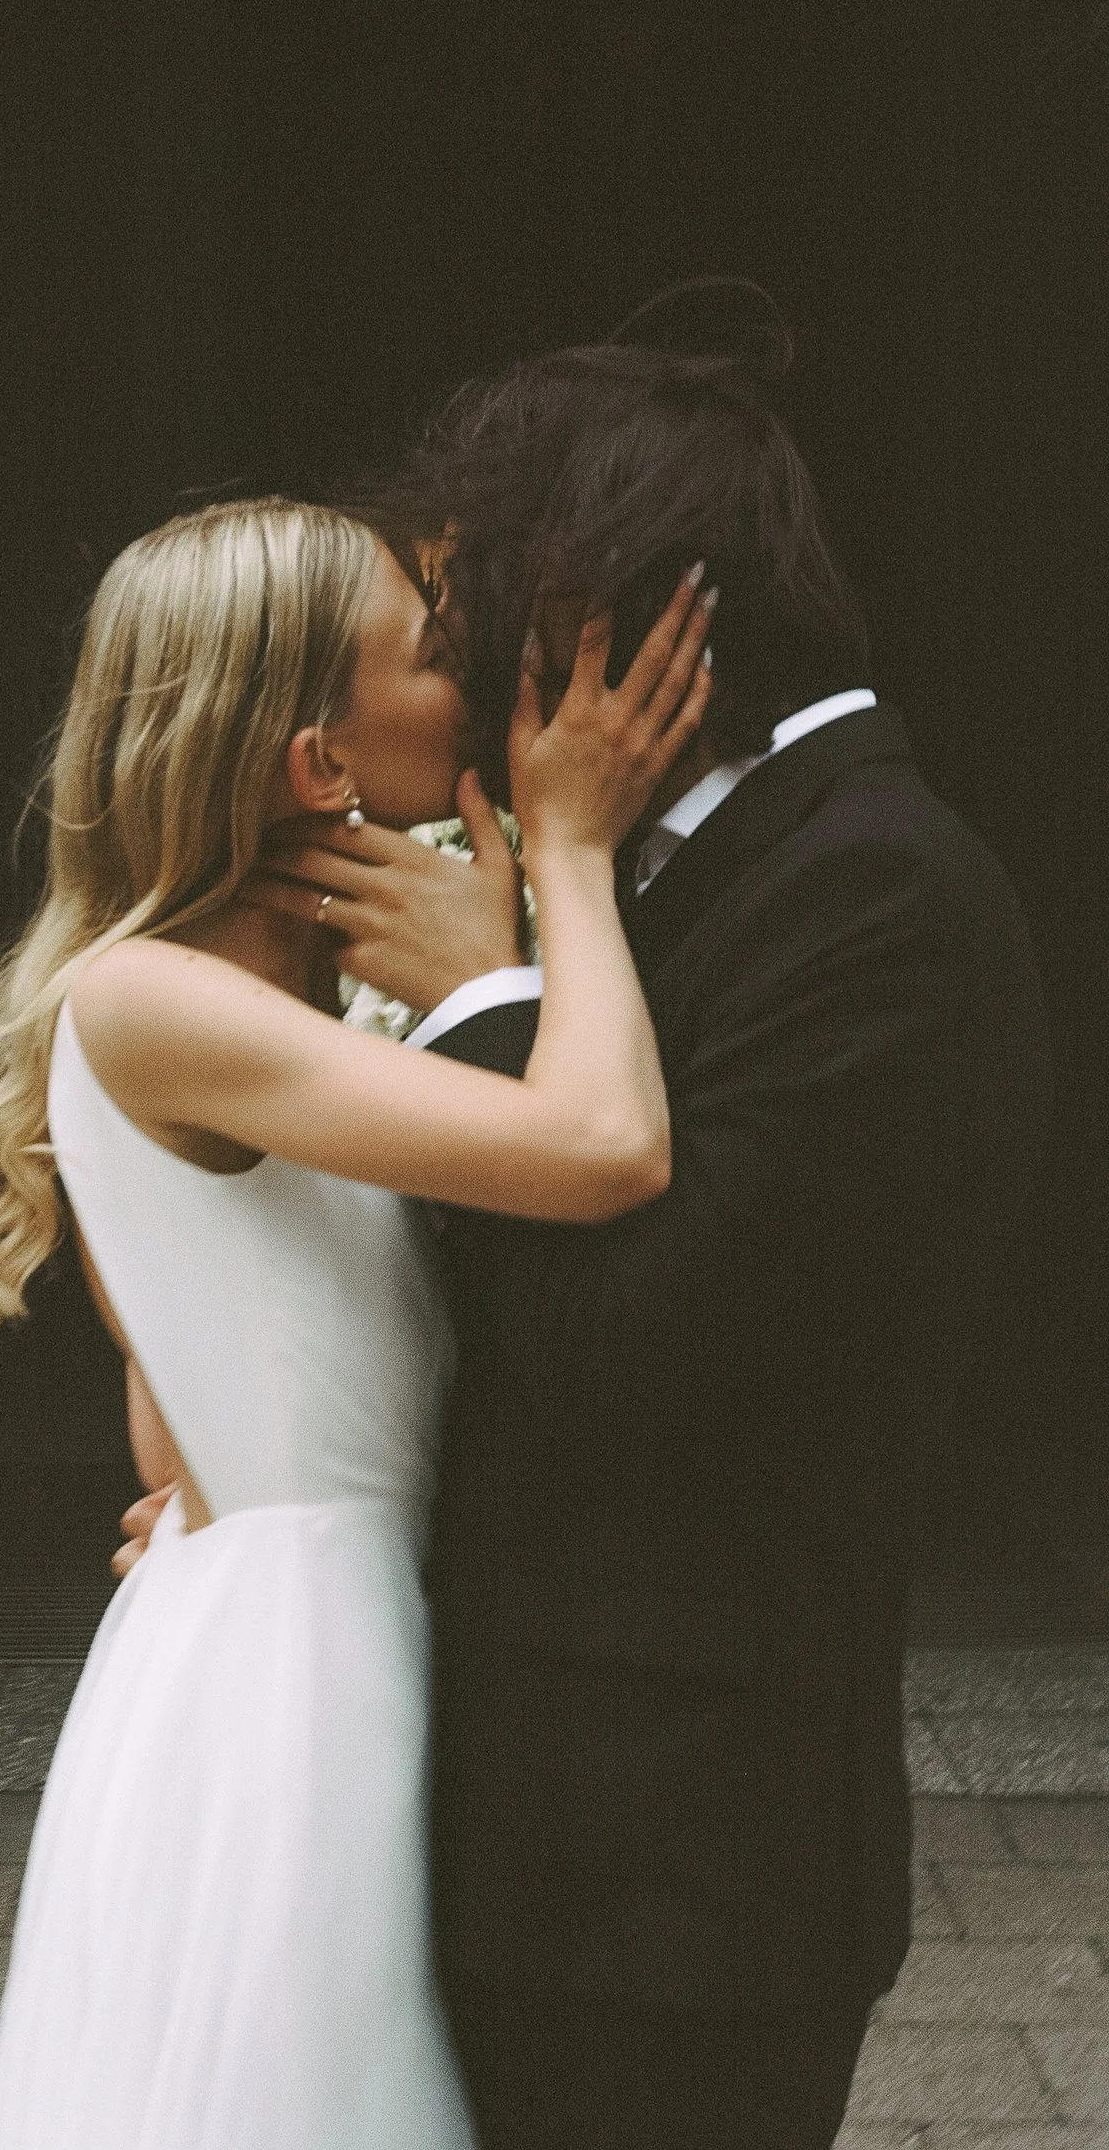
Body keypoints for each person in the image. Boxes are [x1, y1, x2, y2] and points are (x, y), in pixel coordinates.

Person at [126, 319, 1052, 2148]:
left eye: (476, 609)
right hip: (544, 1845)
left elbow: (643, 1351)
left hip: (677, 1882)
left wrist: (493, 1002)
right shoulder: (679, 868)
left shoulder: (879, 895)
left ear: (619, 615)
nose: (453, 666)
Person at [0, 494, 713, 2148]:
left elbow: (178, 1417)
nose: (475, 675)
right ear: (321, 763)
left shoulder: (293, 1011)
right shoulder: (149, 997)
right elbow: (609, 1147)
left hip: (282, 1623)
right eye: (430, 646)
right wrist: (573, 858)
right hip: (303, 1682)